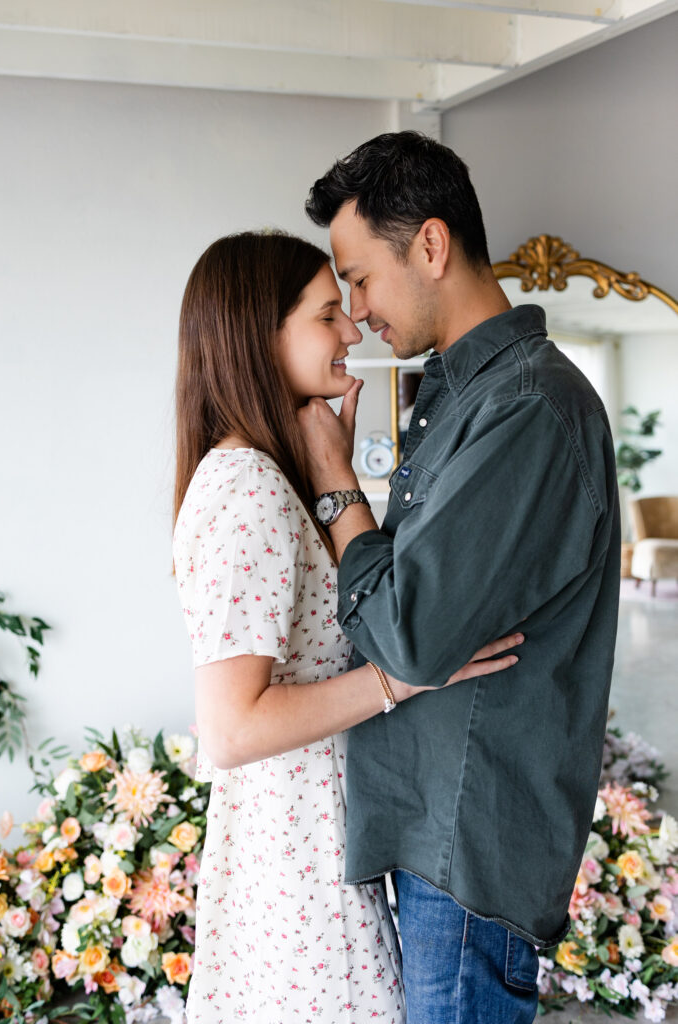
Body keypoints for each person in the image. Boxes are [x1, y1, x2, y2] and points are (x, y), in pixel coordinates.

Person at [300, 132, 621, 1024]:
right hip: (438, 844)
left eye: (359, 277)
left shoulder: (528, 408)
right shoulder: (464, 395)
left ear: (431, 246)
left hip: (466, 861)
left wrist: (336, 491)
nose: (356, 312)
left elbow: (410, 633)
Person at [171, 231, 524, 1022]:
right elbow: (229, 729)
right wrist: (405, 674)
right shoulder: (248, 489)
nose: (353, 331)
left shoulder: (265, 476)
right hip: (297, 863)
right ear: (260, 337)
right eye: (327, 313)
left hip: (311, 843)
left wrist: (339, 476)